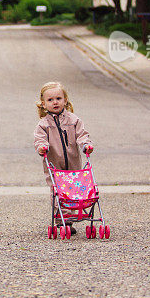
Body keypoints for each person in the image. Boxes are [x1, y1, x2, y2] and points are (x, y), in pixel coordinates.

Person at [33, 81, 94, 231]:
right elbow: (39, 139)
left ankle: (72, 215)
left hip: (73, 161)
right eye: (50, 100)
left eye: (58, 99)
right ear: (43, 104)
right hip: (54, 162)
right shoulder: (43, 124)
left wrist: (86, 144)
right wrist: (42, 147)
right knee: (58, 189)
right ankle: (63, 219)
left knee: (74, 188)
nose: (55, 102)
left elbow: (82, 135)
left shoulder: (74, 120)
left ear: (65, 100)